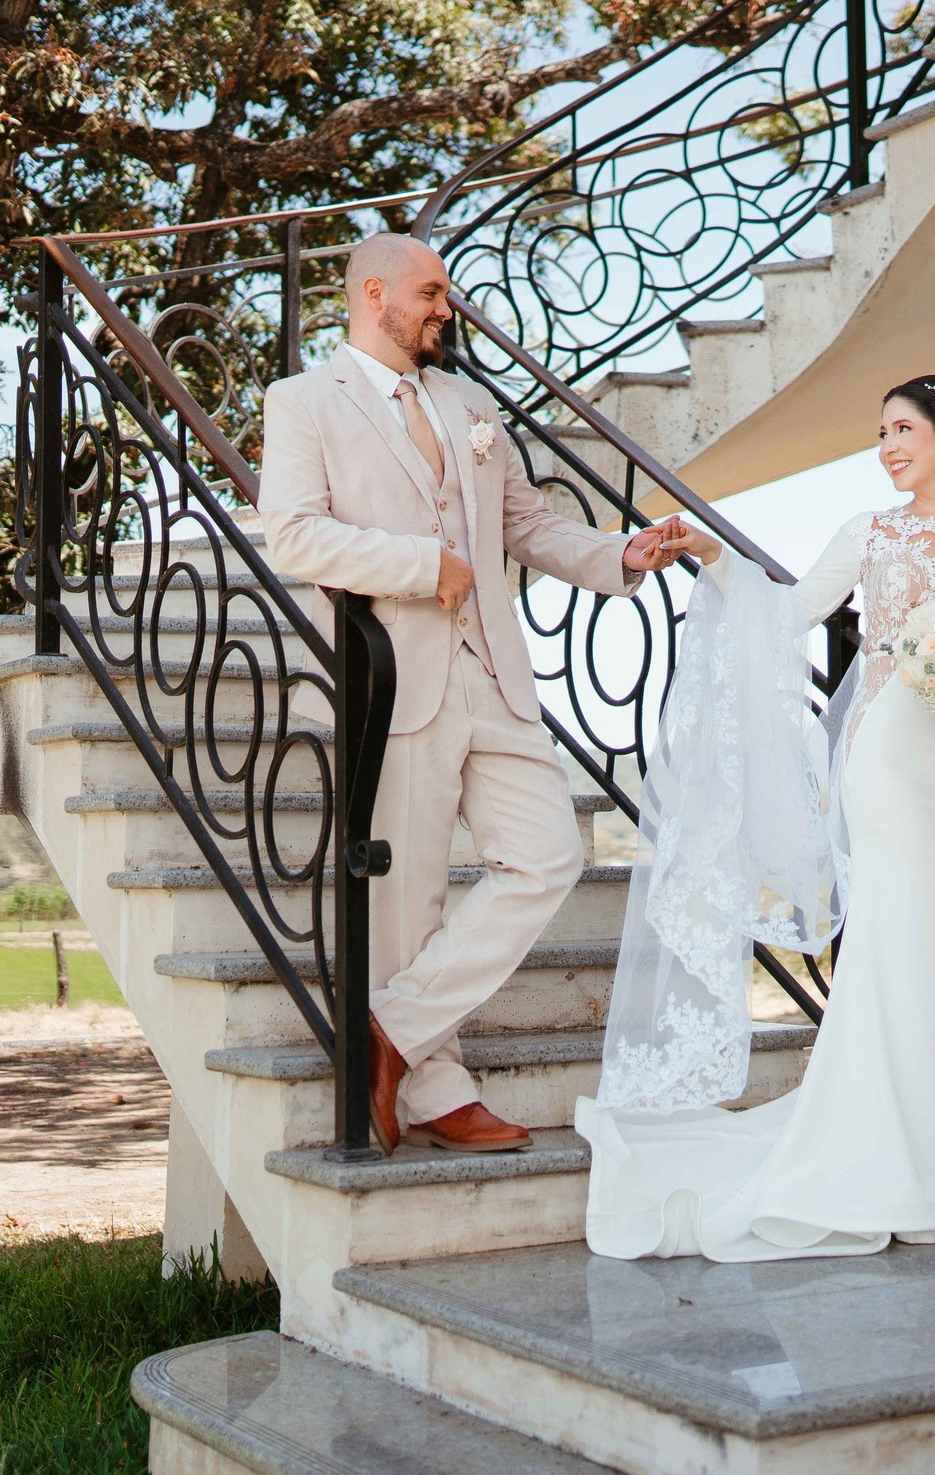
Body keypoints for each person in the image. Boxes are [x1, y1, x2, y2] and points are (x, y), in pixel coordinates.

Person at [577, 374, 935, 1259]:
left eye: (903, 428)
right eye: (880, 432)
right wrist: (716, 557)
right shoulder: (869, 534)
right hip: (889, 762)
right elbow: (783, 613)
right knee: (894, 953)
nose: (887, 446)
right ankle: (902, 1180)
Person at [260, 233, 703, 1152]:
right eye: (429, 293)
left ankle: (390, 1033)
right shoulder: (303, 402)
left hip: (494, 673)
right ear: (372, 294)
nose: (443, 309)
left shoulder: (468, 402)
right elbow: (295, 536)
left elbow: (527, 525)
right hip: (392, 675)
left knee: (546, 855)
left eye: (445, 294)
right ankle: (437, 1086)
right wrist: (424, 566)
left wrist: (620, 553)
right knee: (408, 894)